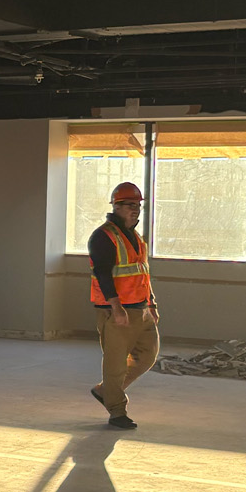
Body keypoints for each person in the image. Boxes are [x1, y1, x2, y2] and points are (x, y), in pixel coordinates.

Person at [88, 181, 158, 429]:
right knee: (116, 363)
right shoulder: (103, 237)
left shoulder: (136, 237)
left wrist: (152, 304)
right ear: (116, 206)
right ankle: (117, 411)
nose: (135, 209)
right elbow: (104, 275)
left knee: (147, 355)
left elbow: (142, 273)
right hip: (117, 311)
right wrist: (116, 309)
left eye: (137, 205)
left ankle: (105, 391)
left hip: (141, 308)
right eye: (129, 205)